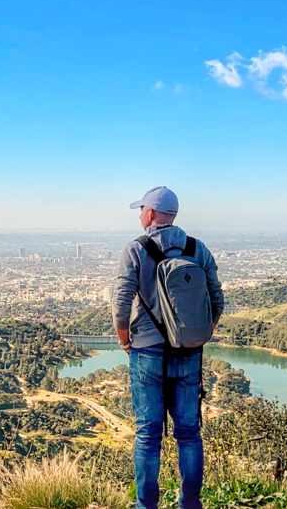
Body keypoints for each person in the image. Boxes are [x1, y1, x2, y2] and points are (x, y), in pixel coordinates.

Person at [112, 186, 225, 509]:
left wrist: (125, 340)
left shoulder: (135, 250)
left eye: (141, 210)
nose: (139, 215)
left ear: (150, 213)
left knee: (148, 437)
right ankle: (190, 504)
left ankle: (146, 507)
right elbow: (217, 300)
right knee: (188, 434)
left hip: (147, 352)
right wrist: (196, 335)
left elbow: (121, 304)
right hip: (189, 352)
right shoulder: (196, 249)